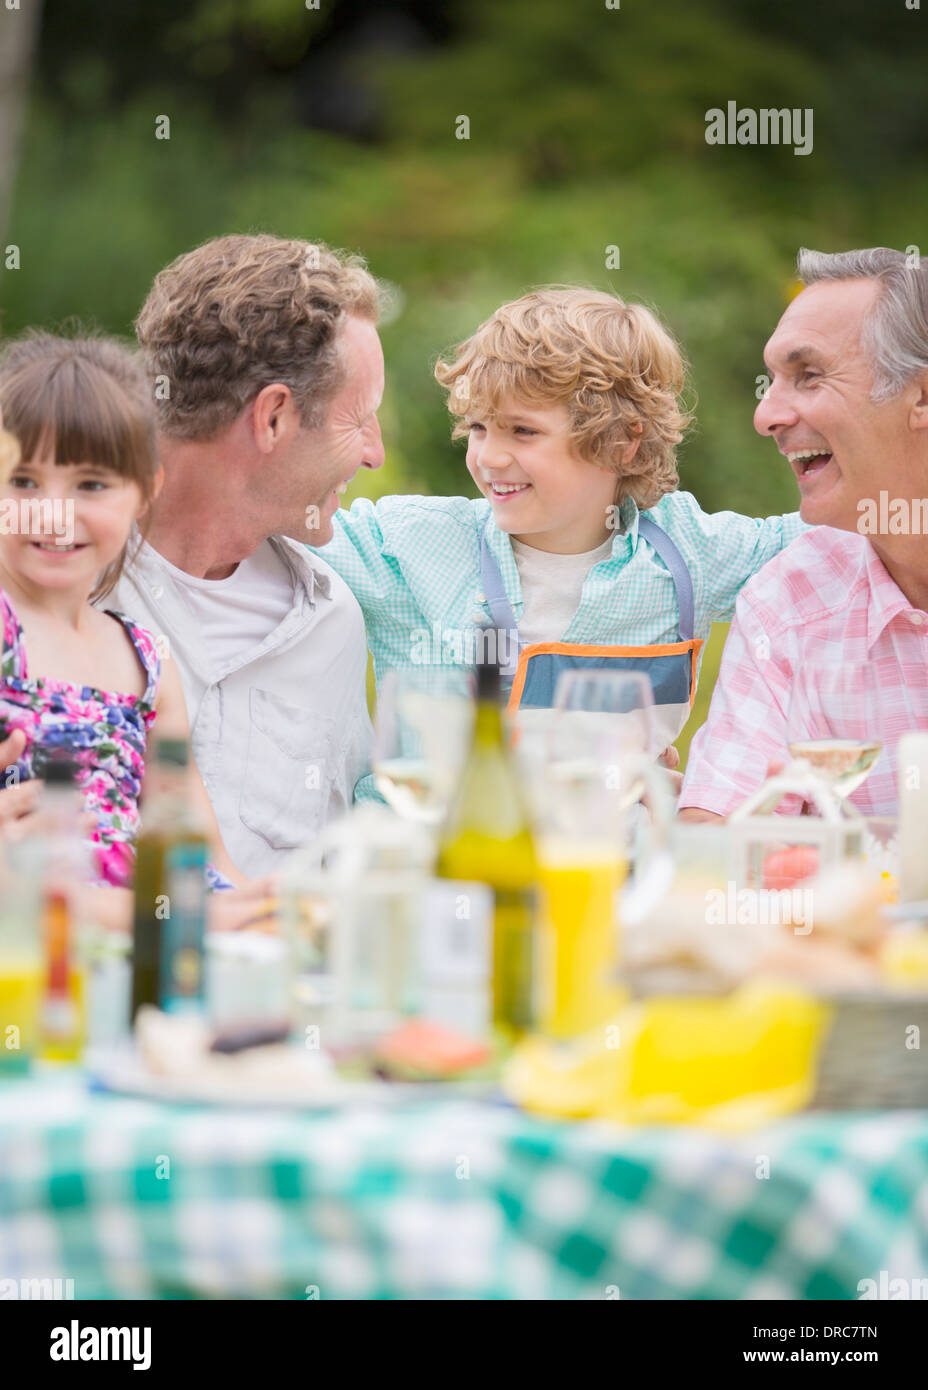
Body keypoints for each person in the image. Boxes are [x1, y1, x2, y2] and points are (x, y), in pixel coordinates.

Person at [311, 287, 806, 758]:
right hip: (431, 845)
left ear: (620, 442)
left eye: (523, 431)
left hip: (610, 847)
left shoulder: (690, 552)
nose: (489, 457)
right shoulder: (406, 545)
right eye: (480, 427)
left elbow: (842, 534)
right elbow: (266, 520)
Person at [111, 234, 385, 877]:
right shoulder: (49, 587)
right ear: (273, 418)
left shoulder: (330, 621)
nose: (374, 453)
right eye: (359, 419)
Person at [679, 247, 928, 821]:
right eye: (773, 382)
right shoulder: (788, 602)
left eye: (808, 376)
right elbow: (717, 845)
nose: (765, 415)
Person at [0, 333, 245, 892]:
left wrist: (258, 909)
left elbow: (192, 837)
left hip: (151, 930)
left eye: (90, 484)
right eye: (22, 482)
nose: (53, 515)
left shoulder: (148, 661)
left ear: (144, 492)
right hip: (39, 925)